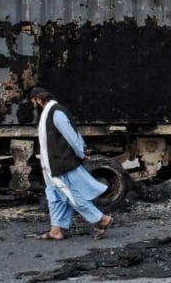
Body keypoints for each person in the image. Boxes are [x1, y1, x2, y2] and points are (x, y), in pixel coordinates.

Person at [29, 86, 113, 240]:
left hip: (61, 162)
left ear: (40, 99)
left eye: (34, 101)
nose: (35, 105)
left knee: (69, 194)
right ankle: (56, 230)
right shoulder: (51, 112)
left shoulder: (56, 112)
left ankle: (101, 219)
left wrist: (82, 151)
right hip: (52, 163)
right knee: (55, 195)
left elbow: (71, 135)